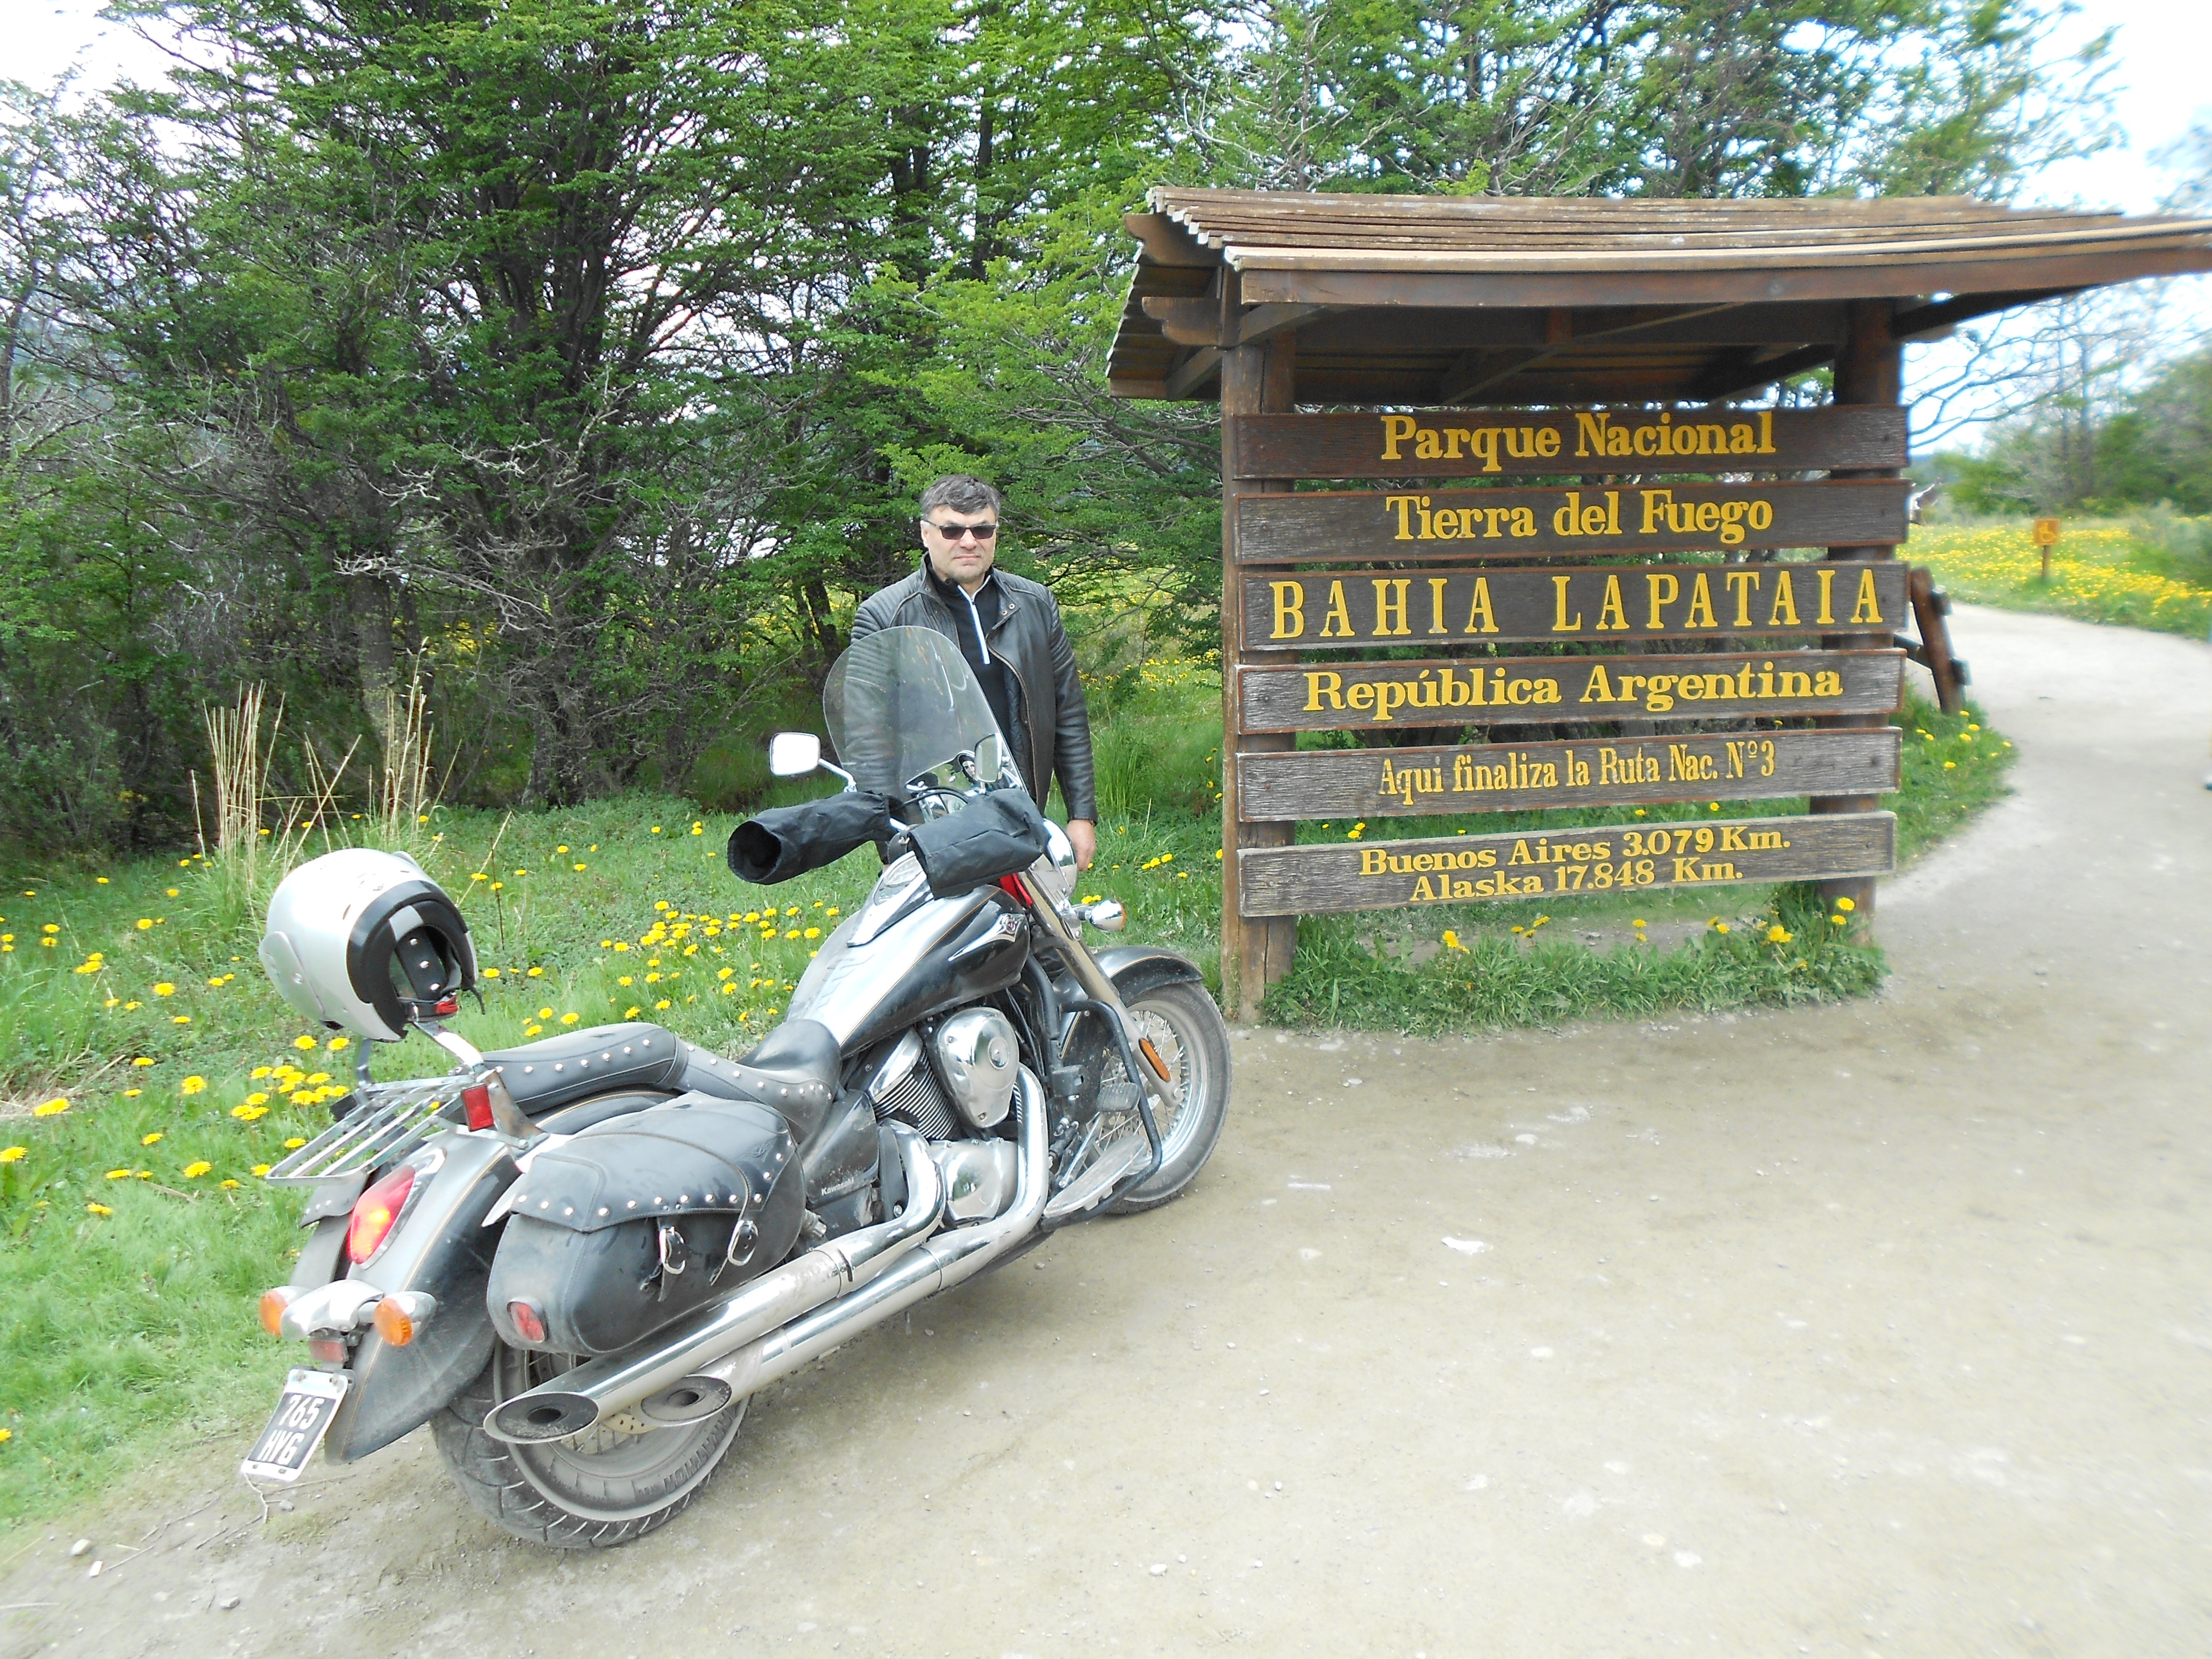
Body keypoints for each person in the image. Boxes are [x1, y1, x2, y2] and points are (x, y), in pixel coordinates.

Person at [849, 476, 1098, 869]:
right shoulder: (884, 615)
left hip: (1021, 811)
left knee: (1030, 926)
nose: (969, 541)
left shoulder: (1036, 604)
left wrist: (1082, 815)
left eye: (982, 529)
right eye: (952, 530)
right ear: (925, 533)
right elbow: (867, 736)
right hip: (933, 819)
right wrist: (893, 835)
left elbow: (1067, 713)